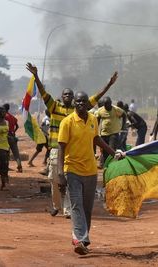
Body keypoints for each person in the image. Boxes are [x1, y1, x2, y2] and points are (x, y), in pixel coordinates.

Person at [26, 62, 117, 217]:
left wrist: (109, 83)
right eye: (65, 94)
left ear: (74, 99)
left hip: (73, 151)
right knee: (55, 180)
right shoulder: (54, 107)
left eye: (70, 95)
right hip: (56, 150)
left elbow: (97, 97)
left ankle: (68, 209)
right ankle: (56, 205)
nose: (68, 96)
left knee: (70, 180)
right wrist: (35, 76)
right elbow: (43, 92)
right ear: (62, 97)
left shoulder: (80, 109)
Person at [57, 91, 124, 255]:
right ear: (74, 104)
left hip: (91, 171)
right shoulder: (67, 122)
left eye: (83, 101)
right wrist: (60, 173)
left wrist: (113, 152)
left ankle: (83, 239)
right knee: (76, 205)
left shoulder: (93, 119)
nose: (80, 104)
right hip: (72, 169)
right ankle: (79, 239)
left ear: (88, 104)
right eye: (78, 101)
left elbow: (97, 139)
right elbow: (61, 147)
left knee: (87, 207)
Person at [95, 97, 126, 164]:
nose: (107, 106)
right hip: (104, 134)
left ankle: (112, 164)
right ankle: (106, 165)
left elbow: (124, 115)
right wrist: (95, 129)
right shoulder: (100, 110)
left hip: (113, 134)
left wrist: (123, 126)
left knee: (111, 150)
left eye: (108, 104)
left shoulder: (116, 109)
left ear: (111, 103)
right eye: (105, 104)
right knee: (104, 151)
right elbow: (98, 119)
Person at [3, 103, 22, 173]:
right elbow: (17, 126)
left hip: (6, 136)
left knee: (5, 152)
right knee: (16, 153)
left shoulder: (4, 116)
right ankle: (20, 167)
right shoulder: (12, 117)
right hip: (13, 136)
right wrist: (13, 131)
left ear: (4, 109)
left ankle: (6, 167)